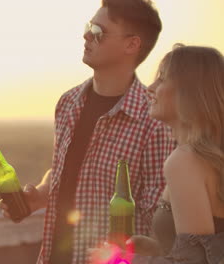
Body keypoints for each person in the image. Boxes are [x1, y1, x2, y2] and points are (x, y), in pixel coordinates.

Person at [0, 0, 176, 263]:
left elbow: (159, 221)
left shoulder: (154, 120)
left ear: (132, 44)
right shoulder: (68, 103)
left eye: (98, 31)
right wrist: (40, 196)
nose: (86, 35)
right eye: (88, 26)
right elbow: (68, 171)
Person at [89, 45, 224, 263]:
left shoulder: (185, 160)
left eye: (162, 79)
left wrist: (123, 260)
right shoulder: (205, 158)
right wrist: (156, 248)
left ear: (189, 91)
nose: (150, 88)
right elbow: (211, 250)